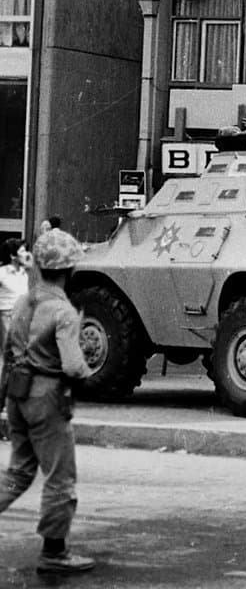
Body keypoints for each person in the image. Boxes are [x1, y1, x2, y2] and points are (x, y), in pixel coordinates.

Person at [0, 229, 95, 574]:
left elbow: (8, 350)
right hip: (46, 400)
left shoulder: (25, 301)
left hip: (17, 395)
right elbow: (72, 365)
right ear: (69, 270)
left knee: (19, 472)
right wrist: (86, 376)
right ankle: (55, 552)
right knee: (60, 478)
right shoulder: (64, 311)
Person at [0, 238, 32, 350]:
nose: (26, 254)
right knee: (7, 351)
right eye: (22, 251)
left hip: (23, 317)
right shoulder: (2, 273)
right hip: (7, 316)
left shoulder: (24, 274)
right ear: (13, 256)